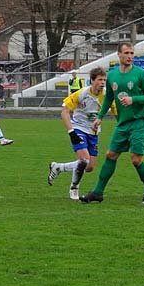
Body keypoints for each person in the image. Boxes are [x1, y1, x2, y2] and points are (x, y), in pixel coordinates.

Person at [79, 42, 144, 204]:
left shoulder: (141, 74)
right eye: (126, 53)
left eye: (132, 53)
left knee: (136, 159)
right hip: (123, 122)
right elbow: (108, 97)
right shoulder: (112, 75)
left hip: (139, 121)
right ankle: (98, 193)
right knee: (111, 155)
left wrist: (133, 99)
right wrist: (100, 116)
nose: (130, 56)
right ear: (119, 55)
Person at [48, 67, 116, 200]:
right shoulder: (82, 93)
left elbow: (117, 113)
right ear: (92, 80)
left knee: (89, 167)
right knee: (84, 160)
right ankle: (74, 187)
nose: (103, 82)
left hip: (94, 132)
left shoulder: (107, 96)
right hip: (79, 128)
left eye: (104, 80)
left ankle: (58, 167)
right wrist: (71, 132)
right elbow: (64, 112)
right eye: (100, 79)